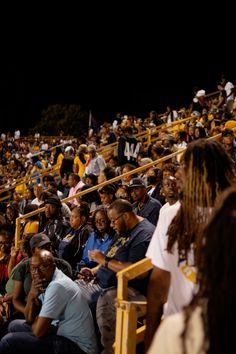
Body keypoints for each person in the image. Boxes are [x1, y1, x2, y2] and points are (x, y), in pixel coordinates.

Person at [145, 138, 236, 351]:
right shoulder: (170, 215)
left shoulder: (230, 216)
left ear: (202, 172)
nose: (178, 173)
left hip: (223, 329)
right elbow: (158, 284)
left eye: (184, 166)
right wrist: (151, 340)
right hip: (181, 331)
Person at [0, 250, 97, 354]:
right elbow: (29, 318)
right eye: (33, 268)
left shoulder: (57, 286)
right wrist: (32, 295)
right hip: (61, 332)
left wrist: (38, 322)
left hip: (79, 347)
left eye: (42, 267)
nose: (36, 273)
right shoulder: (44, 280)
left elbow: (38, 332)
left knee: (8, 341)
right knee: (13, 325)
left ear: (53, 266)